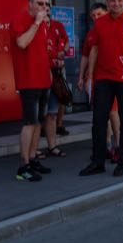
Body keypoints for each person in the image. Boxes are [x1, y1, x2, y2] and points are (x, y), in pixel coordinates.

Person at [81, 0, 123, 178]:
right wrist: (90, 75)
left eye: (119, 0)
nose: (116, 3)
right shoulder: (100, 23)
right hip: (103, 79)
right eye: (112, 0)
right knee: (98, 122)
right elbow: (94, 50)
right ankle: (97, 162)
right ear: (107, 2)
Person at [9, 0, 53, 182]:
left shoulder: (44, 24)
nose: (43, 7)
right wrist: (36, 23)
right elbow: (22, 43)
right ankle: (23, 165)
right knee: (29, 123)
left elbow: (42, 51)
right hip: (28, 80)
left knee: (39, 123)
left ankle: (33, 158)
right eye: (40, 3)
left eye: (46, 4)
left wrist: (50, 74)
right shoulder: (20, 20)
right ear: (30, 3)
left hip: (43, 80)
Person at [77, 3, 121, 163]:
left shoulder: (114, 30)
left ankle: (119, 146)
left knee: (112, 112)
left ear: (107, 13)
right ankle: (106, 146)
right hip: (95, 80)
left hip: (112, 78)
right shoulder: (90, 34)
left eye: (99, 14)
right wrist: (81, 76)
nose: (96, 18)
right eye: (94, 15)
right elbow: (85, 56)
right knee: (101, 114)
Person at [41, 15, 70, 157]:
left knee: (52, 112)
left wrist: (62, 54)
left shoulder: (57, 26)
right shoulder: (36, 30)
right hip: (40, 75)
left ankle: (52, 146)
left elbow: (65, 42)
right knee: (39, 114)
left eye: (47, 8)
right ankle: (33, 151)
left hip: (55, 73)